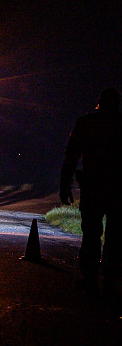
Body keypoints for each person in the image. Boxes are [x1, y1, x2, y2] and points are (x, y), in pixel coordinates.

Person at [60, 88, 122, 297]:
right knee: (115, 236)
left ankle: (90, 277)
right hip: (117, 189)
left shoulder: (87, 123)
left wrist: (65, 184)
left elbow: (72, 155)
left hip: (93, 187)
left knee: (91, 234)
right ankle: (110, 279)